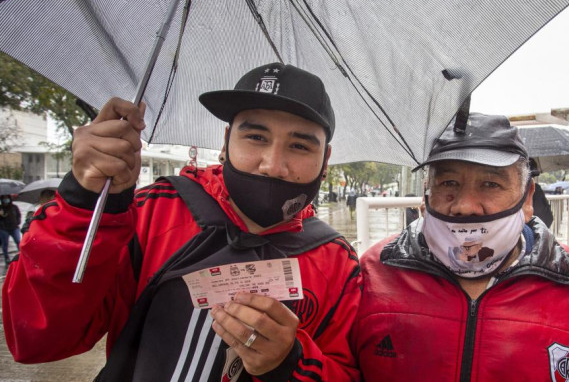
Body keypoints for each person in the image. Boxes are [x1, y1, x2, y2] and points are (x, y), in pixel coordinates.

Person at [3, 63, 362, 381]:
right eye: (255, 137)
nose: (272, 164)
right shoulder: (150, 211)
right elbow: (37, 339)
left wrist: (289, 363)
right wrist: (84, 203)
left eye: (300, 146)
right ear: (225, 141)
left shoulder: (337, 262)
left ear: (325, 159)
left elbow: (346, 371)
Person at [352, 113, 569, 381]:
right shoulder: (373, 273)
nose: (465, 206)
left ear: (527, 198)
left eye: (490, 184)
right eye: (448, 183)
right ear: (426, 195)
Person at [0, 194, 22, 264]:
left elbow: (19, 215)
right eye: (4, 198)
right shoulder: (1, 208)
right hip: (4, 229)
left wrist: (18, 222)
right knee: (5, 243)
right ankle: (6, 258)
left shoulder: (14, 207)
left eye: (7, 198)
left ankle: (21, 256)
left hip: (14, 227)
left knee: (18, 241)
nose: (6, 200)